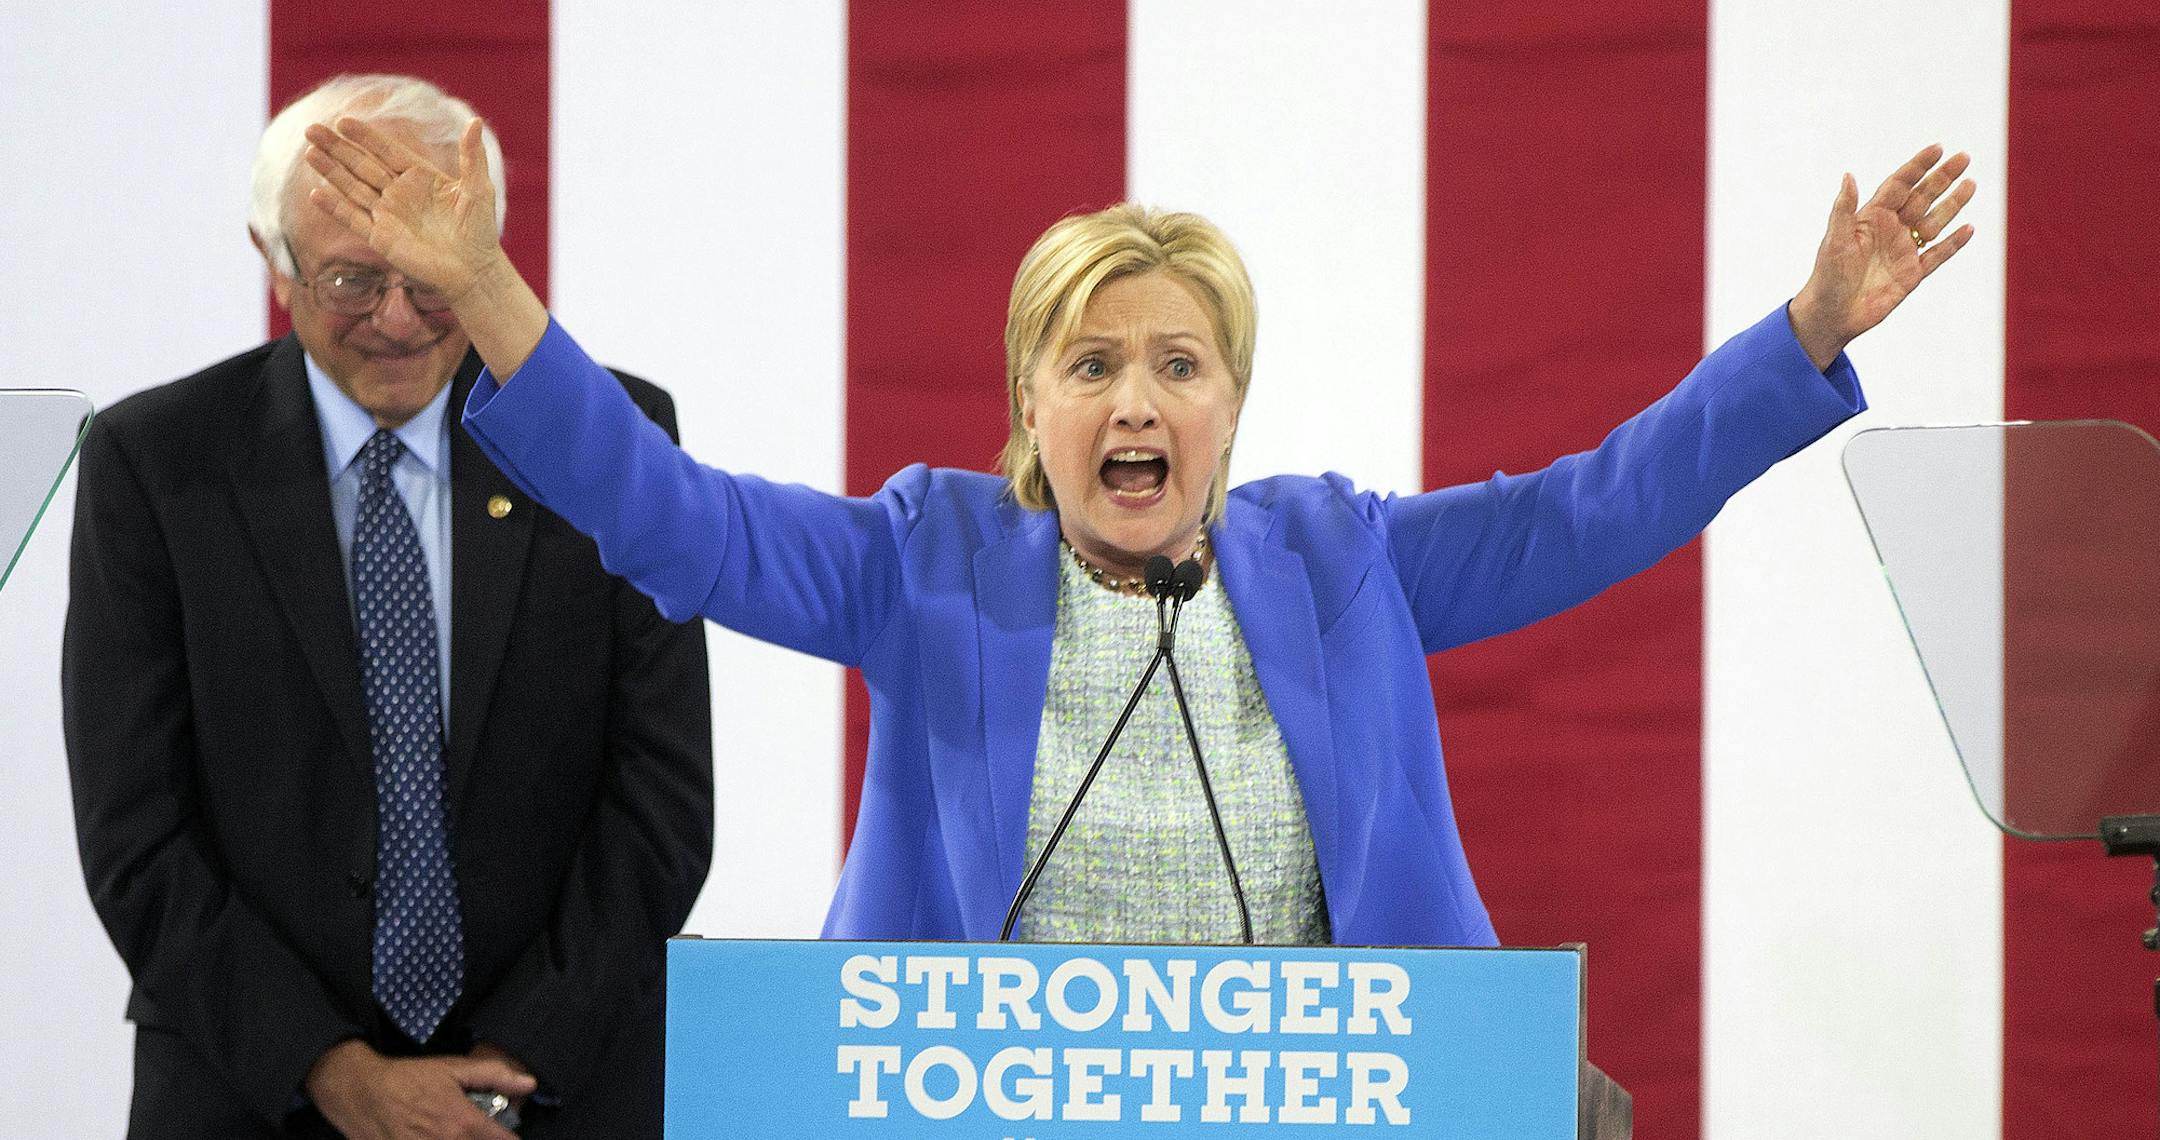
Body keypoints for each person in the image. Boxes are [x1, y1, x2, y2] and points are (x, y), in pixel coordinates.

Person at [302, 115, 1971, 948]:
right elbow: (674, 515)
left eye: (1179, 365)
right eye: (1090, 364)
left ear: (1233, 407)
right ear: (1030, 406)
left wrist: (1809, 331)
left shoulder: (1342, 562)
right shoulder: (923, 561)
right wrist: (492, 297)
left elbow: (1601, 507)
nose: (1136, 403)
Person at [63, 75, 712, 1139]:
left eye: (433, 279)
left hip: (558, 1089)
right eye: (353, 281)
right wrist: (332, 1070)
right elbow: (136, 832)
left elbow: (663, 796)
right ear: (273, 263)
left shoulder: (605, 437)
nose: (400, 321)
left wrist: (523, 1054)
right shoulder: (156, 465)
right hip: (248, 1088)